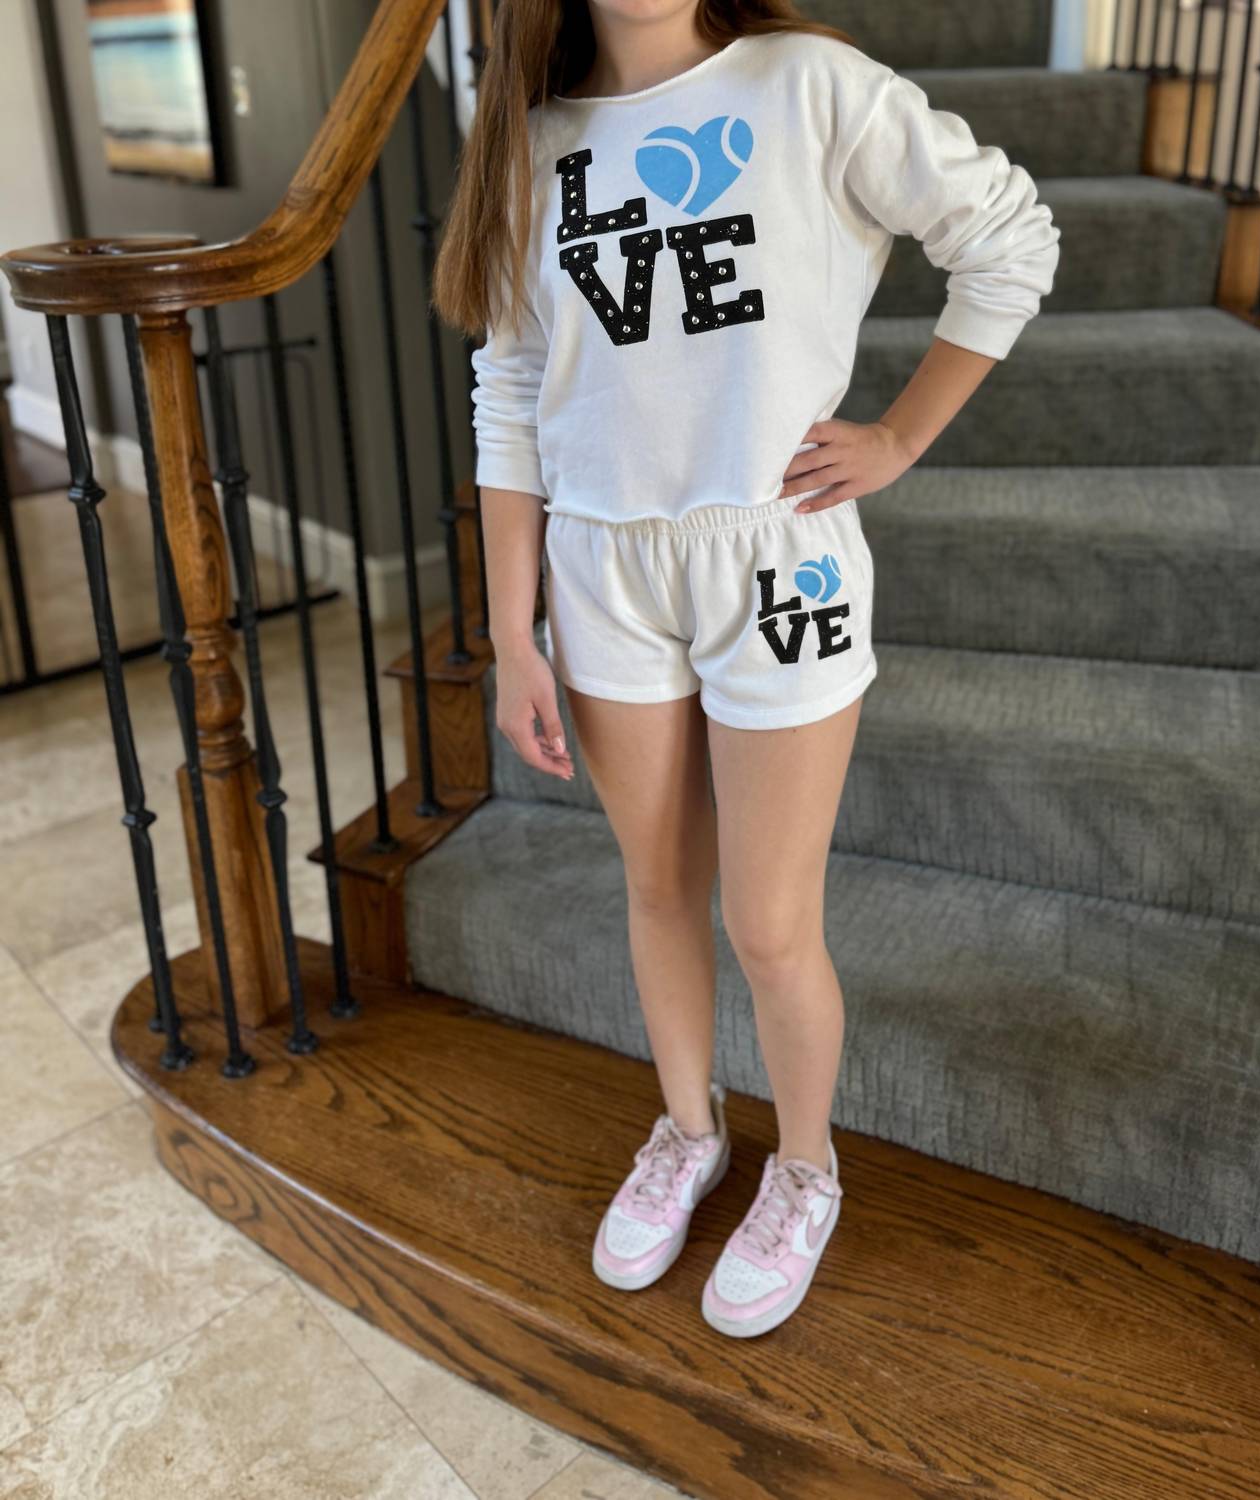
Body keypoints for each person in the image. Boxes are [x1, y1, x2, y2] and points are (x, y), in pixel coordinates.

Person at [433, 0, 1059, 1339]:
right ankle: (686, 1129)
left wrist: (899, 437)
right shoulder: (530, 143)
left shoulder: (808, 85)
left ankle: (805, 1168)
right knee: (659, 886)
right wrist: (510, 633)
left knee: (769, 925)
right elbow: (510, 391)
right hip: (602, 570)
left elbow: (1008, 236)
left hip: (775, 560)